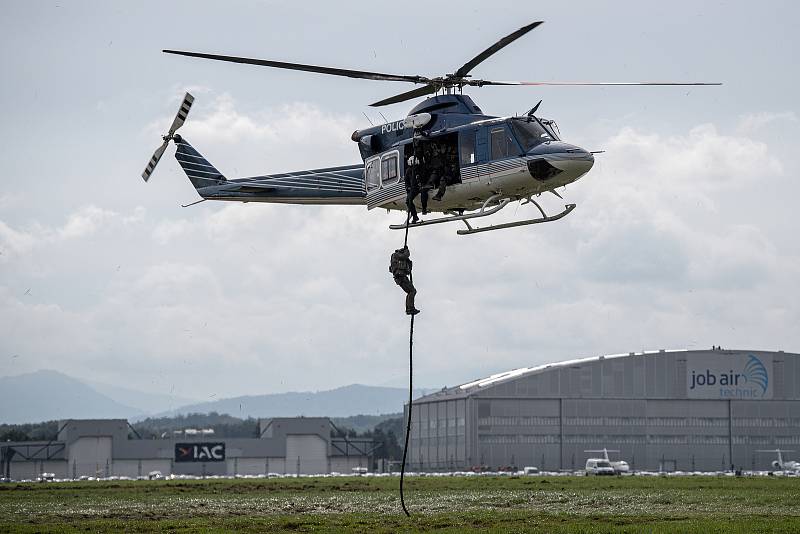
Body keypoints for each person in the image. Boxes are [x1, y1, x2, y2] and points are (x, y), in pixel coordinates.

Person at [389, 246, 420, 315]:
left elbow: (408, 270)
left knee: (410, 291)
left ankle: (409, 309)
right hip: (400, 276)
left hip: (401, 276)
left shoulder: (400, 260)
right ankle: (410, 308)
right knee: (412, 291)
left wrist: (408, 262)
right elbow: (405, 256)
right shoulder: (395, 255)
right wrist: (407, 250)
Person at [404, 156, 420, 224]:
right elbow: (406, 181)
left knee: (408, 201)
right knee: (408, 201)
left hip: (417, 188)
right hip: (412, 189)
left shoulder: (418, 169)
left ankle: (415, 216)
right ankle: (415, 216)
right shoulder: (408, 171)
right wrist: (408, 188)